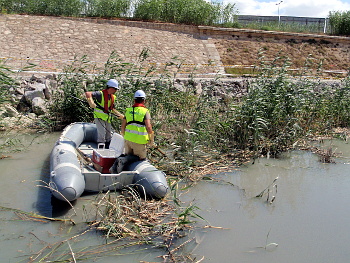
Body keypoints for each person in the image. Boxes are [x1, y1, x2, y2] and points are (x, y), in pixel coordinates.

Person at [85, 79, 124, 148]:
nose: (116, 91)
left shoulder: (112, 97)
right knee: (101, 134)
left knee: (108, 134)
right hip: (99, 117)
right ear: (111, 88)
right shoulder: (100, 94)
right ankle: (100, 149)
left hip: (107, 118)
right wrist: (91, 103)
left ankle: (108, 147)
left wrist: (119, 114)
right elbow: (88, 94)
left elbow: (112, 108)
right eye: (115, 89)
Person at [121, 90, 154, 160]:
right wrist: (151, 139)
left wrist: (124, 136)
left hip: (128, 140)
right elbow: (148, 127)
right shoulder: (145, 111)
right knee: (140, 160)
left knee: (127, 159)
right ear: (144, 100)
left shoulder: (128, 111)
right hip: (139, 142)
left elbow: (123, 126)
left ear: (134, 100)